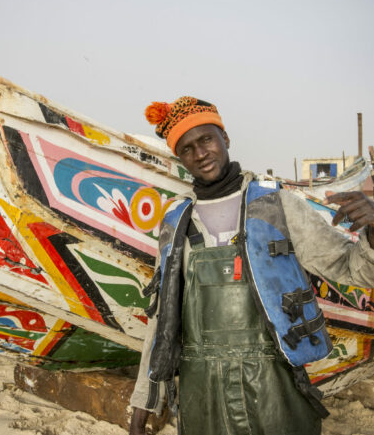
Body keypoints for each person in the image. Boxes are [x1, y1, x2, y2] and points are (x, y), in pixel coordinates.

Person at [129, 96, 374, 435]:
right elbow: (162, 319)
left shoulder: (278, 205)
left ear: (225, 139)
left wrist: (373, 230)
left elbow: (356, 271)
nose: (200, 154)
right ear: (180, 158)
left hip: (276, 388)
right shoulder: (175, 220)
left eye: (206, 139)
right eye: (187, 149)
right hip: (201, 393)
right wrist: (144, 399)